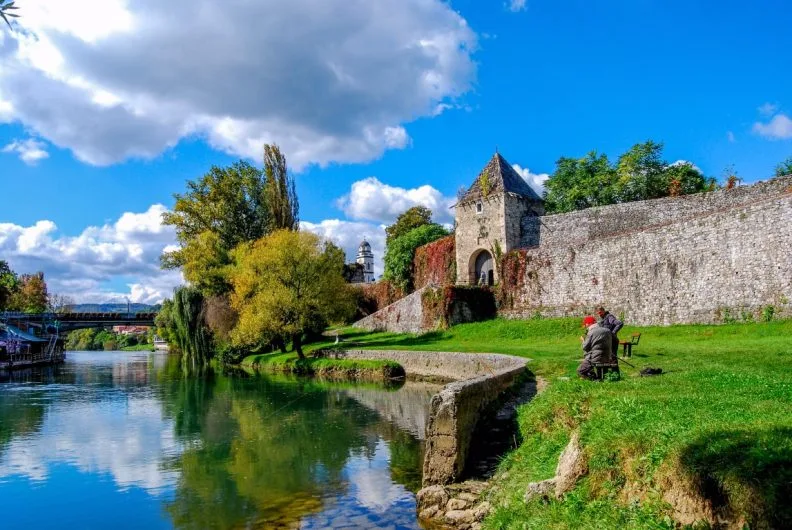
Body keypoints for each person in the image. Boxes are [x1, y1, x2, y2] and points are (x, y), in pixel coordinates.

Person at [577, 315, 613, 380]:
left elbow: (585, 347)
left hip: (595, 358)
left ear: (588, 324)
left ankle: (594, 379)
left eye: (585, 324)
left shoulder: (591, 332)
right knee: (599, 368)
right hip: (607, 357)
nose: (585, 326)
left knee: (580, 370)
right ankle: (599, 379)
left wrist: (583, 340)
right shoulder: (607, 330)